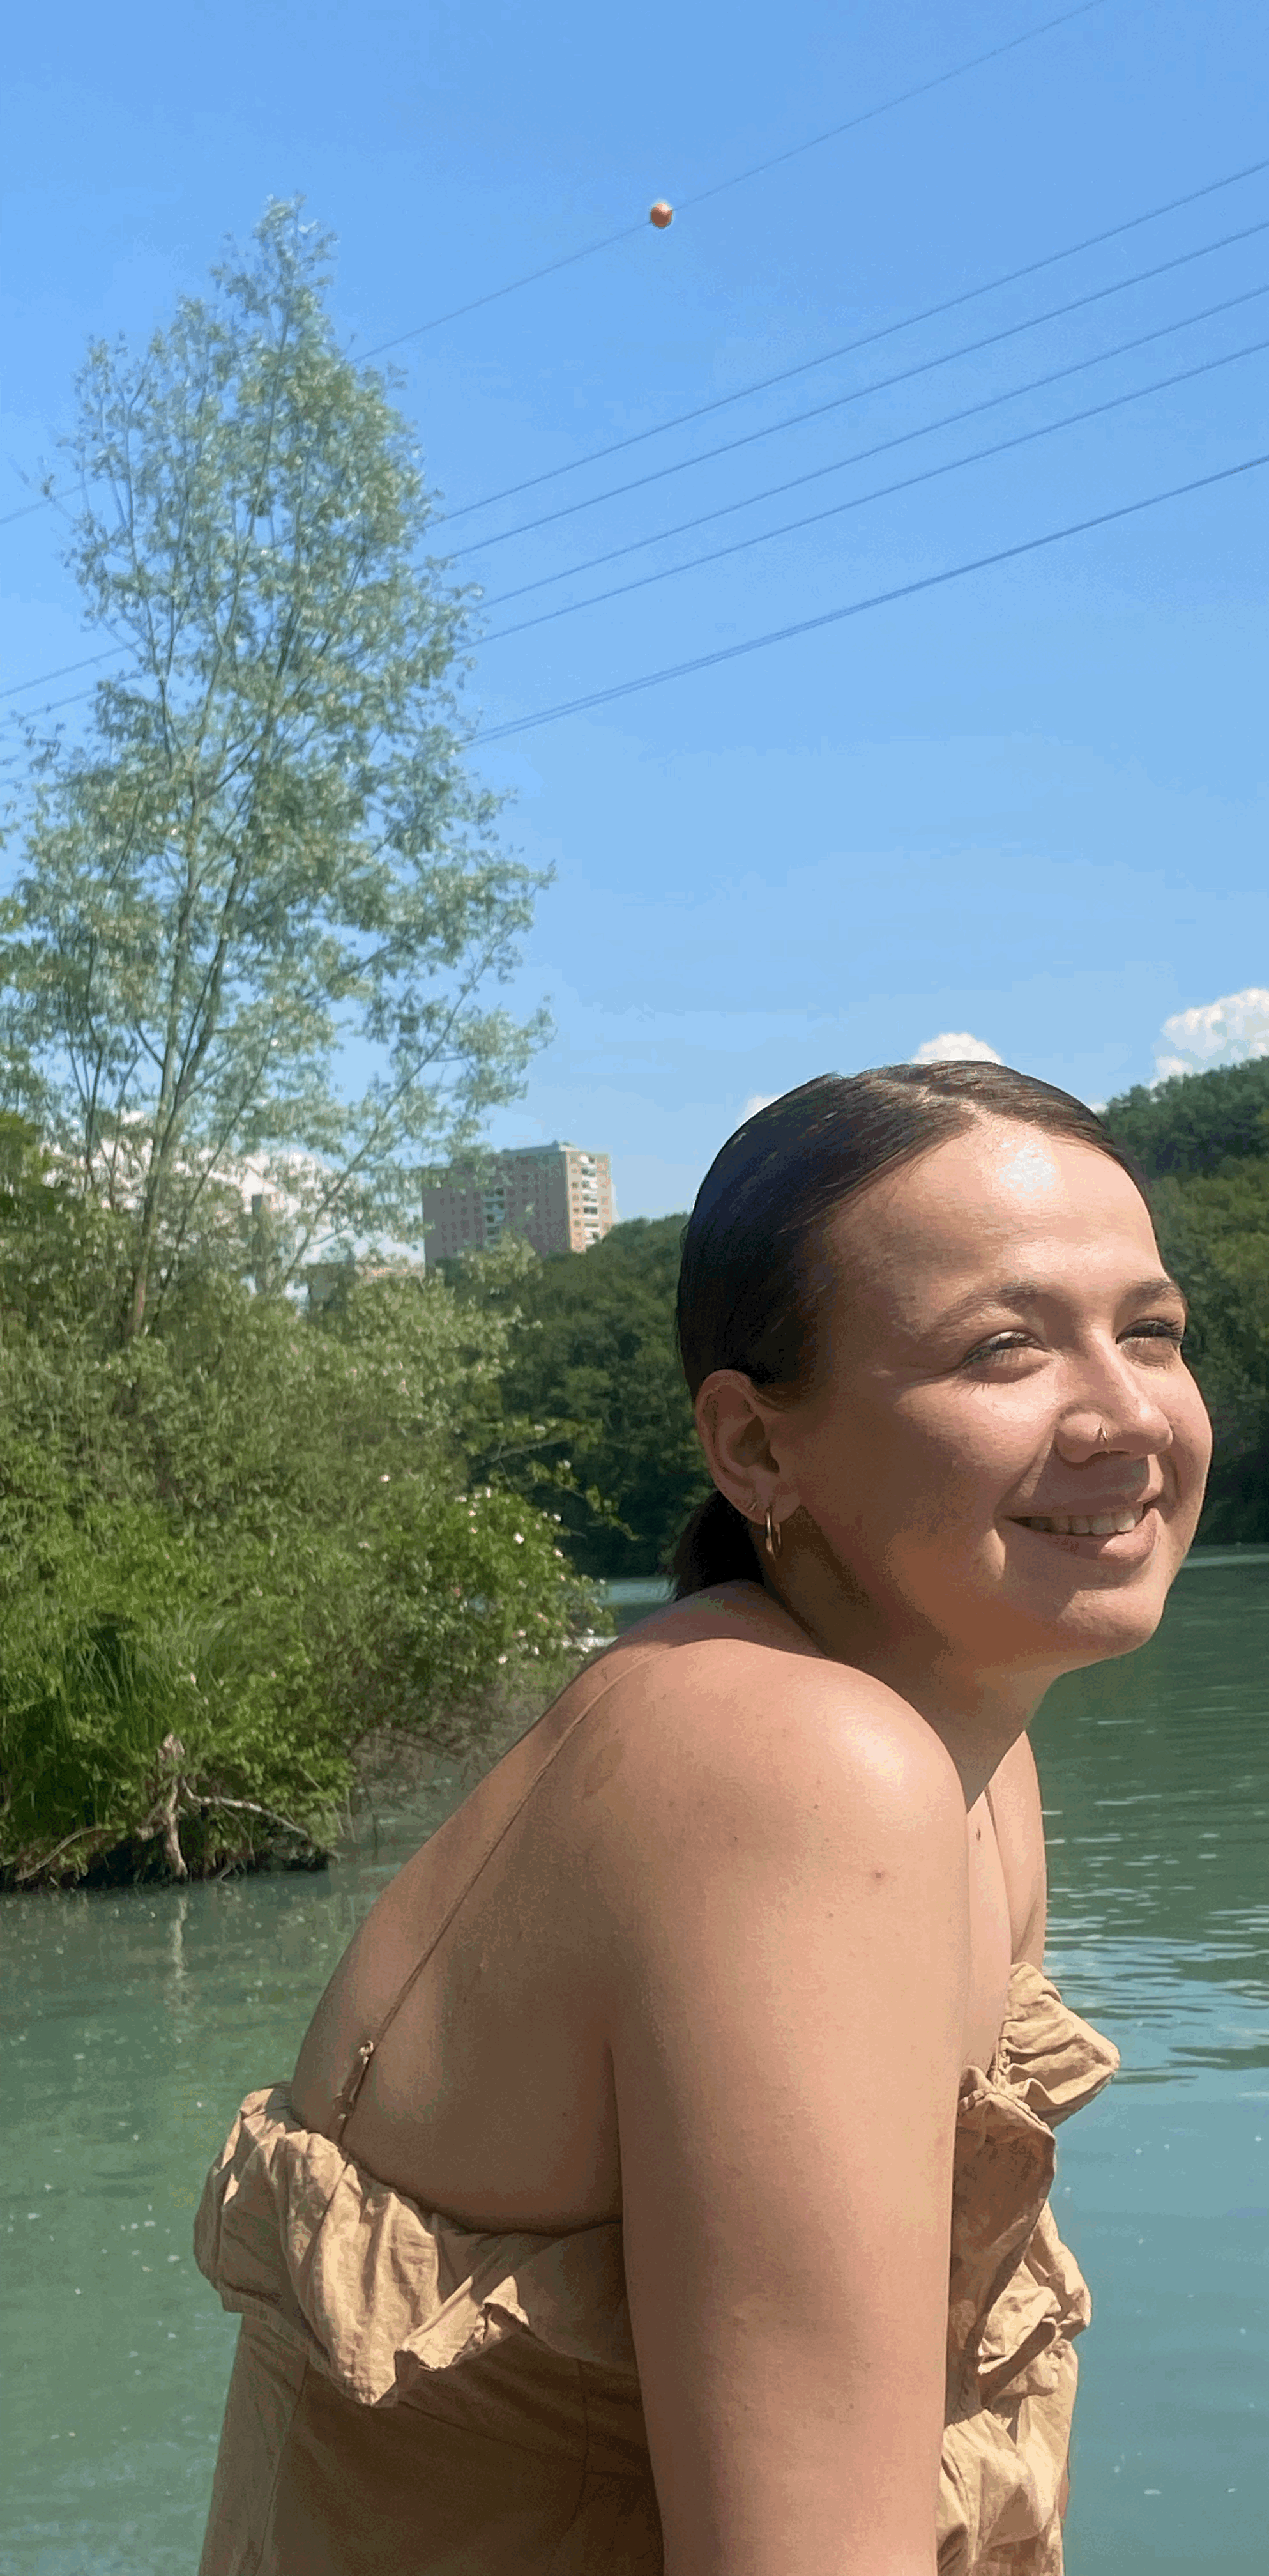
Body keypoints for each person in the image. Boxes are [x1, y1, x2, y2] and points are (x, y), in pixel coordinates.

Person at [194, 1061, 1212, 2576]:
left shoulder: (971, 1756)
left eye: (1152, 1332)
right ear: (753, 1449)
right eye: (1004, 1349)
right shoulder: (795, 1765)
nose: (1125, 1415)